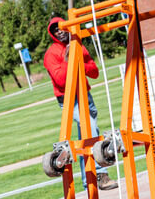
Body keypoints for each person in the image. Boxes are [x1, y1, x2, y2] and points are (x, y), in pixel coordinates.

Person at [42, 18, 117, 191]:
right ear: (52, 34)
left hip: (85, 94)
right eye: (55, 31)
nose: (60, 32)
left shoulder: (78, 45)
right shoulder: (51, 54)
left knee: (85, 139)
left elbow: (95, 72)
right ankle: (100, 174)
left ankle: (88, 181)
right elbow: (61, 81)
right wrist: (68, 61)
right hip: (69, 98)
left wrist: (79, 63)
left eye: (61, 28)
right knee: (91, 129)